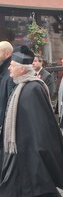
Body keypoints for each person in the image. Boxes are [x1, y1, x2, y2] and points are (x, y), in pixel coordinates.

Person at [0, 45, 63, 197]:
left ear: (22, 69)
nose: (9, 68)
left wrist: (40, 156)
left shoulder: (33, 89)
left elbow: (41, 128)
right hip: (21, 155)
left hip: (32, 158)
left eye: (12, 65)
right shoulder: (21, 86)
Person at [0, 41, 15, 172]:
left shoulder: (9, 74)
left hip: (6, 126)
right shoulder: (3, 71)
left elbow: (10, 102)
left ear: (7, 53)